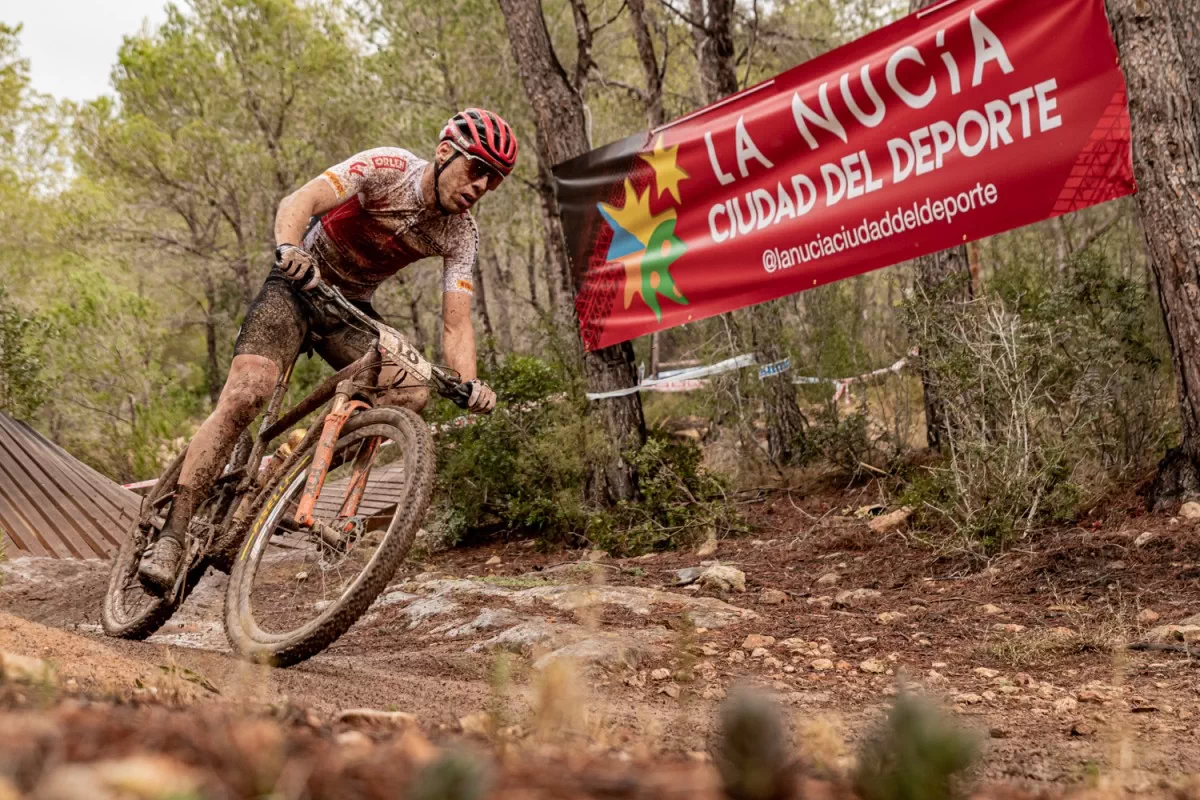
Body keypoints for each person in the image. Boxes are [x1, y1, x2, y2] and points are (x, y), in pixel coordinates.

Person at [138, 108, 519, 592]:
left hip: (350, 308)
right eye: (477, 169)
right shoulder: (388, 168)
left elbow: (456, 321)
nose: (482, 186)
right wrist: (288, 247)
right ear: (445, 153)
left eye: (495, 180)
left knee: (409, 392)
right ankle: (173, 533)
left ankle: (282, 474)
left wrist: (469, 383)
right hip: (299, 283)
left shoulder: (460, 233)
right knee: (249, 392)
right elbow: (302, 199)